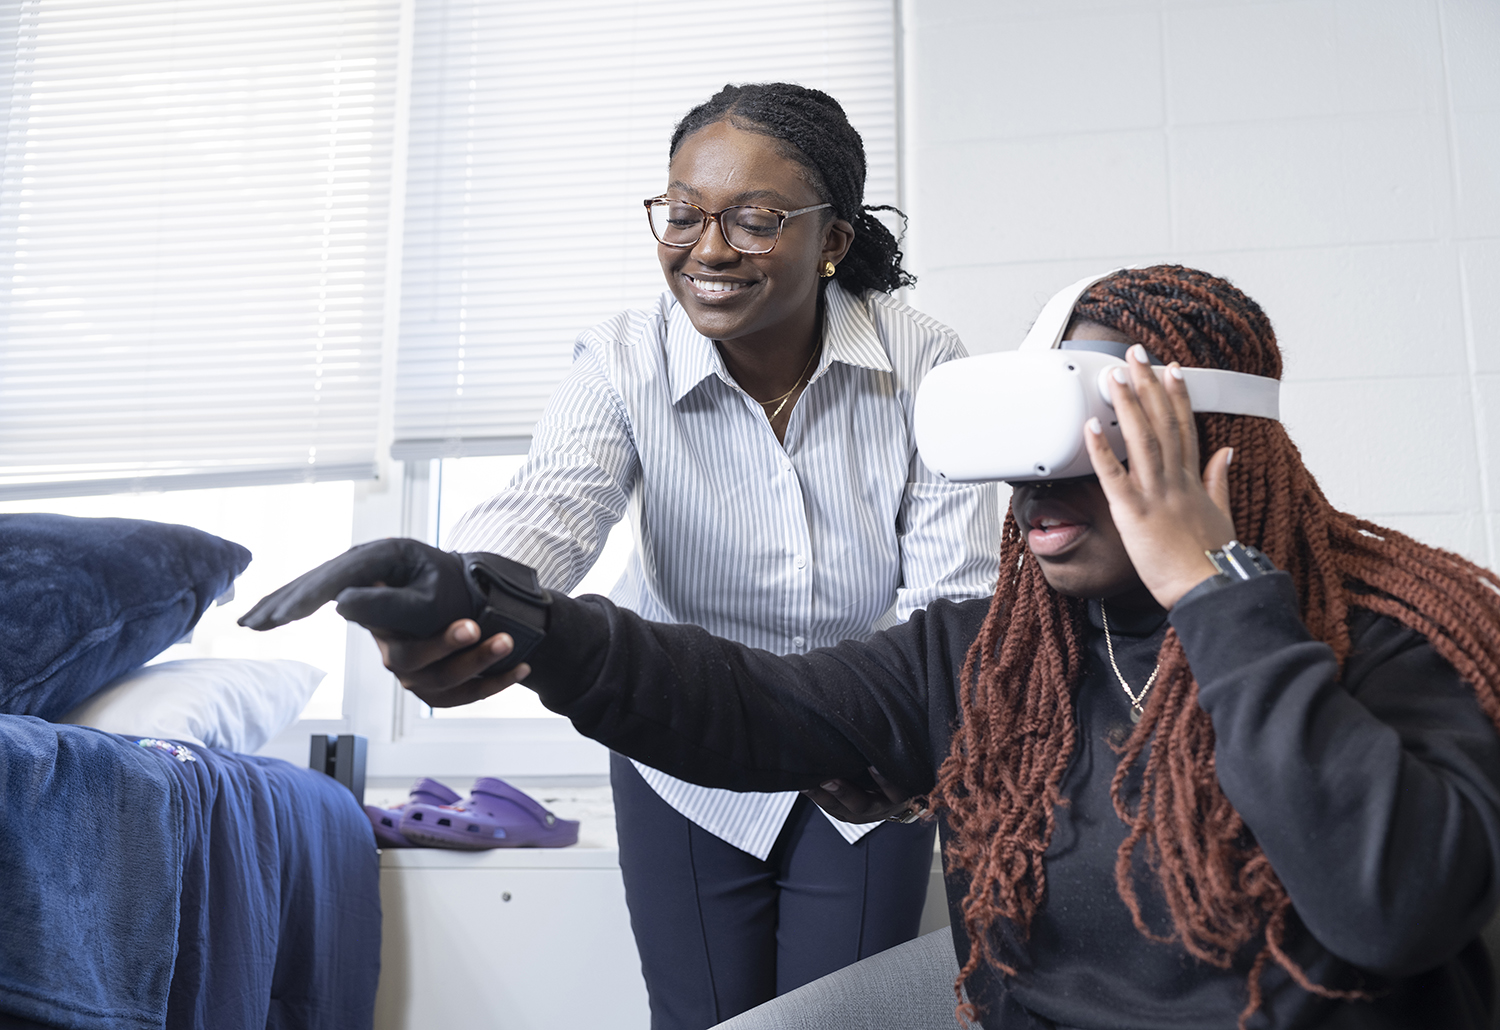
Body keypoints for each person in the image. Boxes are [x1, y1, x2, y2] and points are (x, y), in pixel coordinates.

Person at [244, 265, 1500, 1029]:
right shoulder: (997, 660)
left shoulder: (1398, 642)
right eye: (1023, 465)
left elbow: (1391, 907)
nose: (1040, 501)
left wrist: (1213, 585)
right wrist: (516, 620)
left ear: (1222, 461)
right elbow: (748, 705)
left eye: (1096, 459)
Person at [425, 83, 1000, 1029]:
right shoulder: (622, 355)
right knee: (704, 1017)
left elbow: (960, 590)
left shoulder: (926, 360)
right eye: (684, 214)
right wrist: (460, 592)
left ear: (834, 242)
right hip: (678, 746)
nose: (709, 248)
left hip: (861, 751)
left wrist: (913, 736)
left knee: (845, 1018)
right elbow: (556, 503)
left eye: (756, 220)